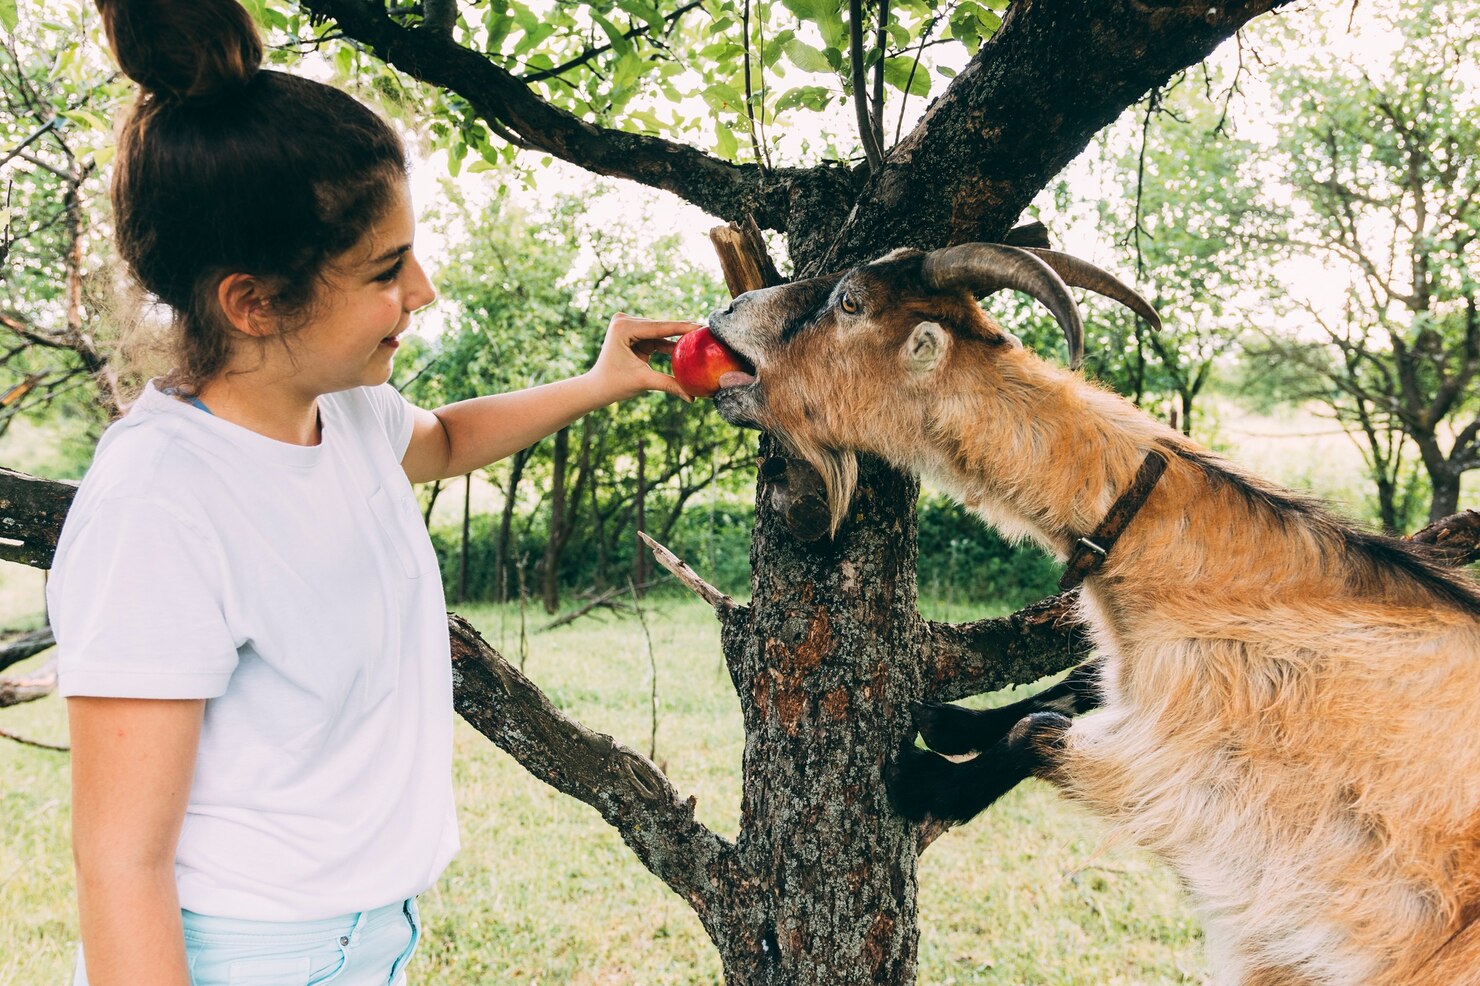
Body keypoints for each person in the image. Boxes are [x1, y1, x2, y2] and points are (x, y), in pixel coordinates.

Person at [48, 2, 699, 983]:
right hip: (254, 958)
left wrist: (599, 379)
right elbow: (118, 862)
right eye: (386, 269)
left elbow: (442, 440)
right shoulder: (160, 505)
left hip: (369, 938)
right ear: (253, 300)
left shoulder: (340, 410)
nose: (424, 291)